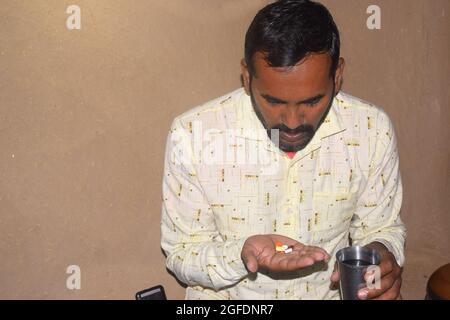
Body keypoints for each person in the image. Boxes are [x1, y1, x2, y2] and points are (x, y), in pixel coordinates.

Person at [160, 0, 406, 300]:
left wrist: (380, 252)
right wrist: (241, 254)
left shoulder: (371, 130)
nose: (291, 123)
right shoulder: (193, 135)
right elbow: (182, 253)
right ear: (247, 77)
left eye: (311, 102)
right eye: (274, 101)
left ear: (337, 76)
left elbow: (382, 227)